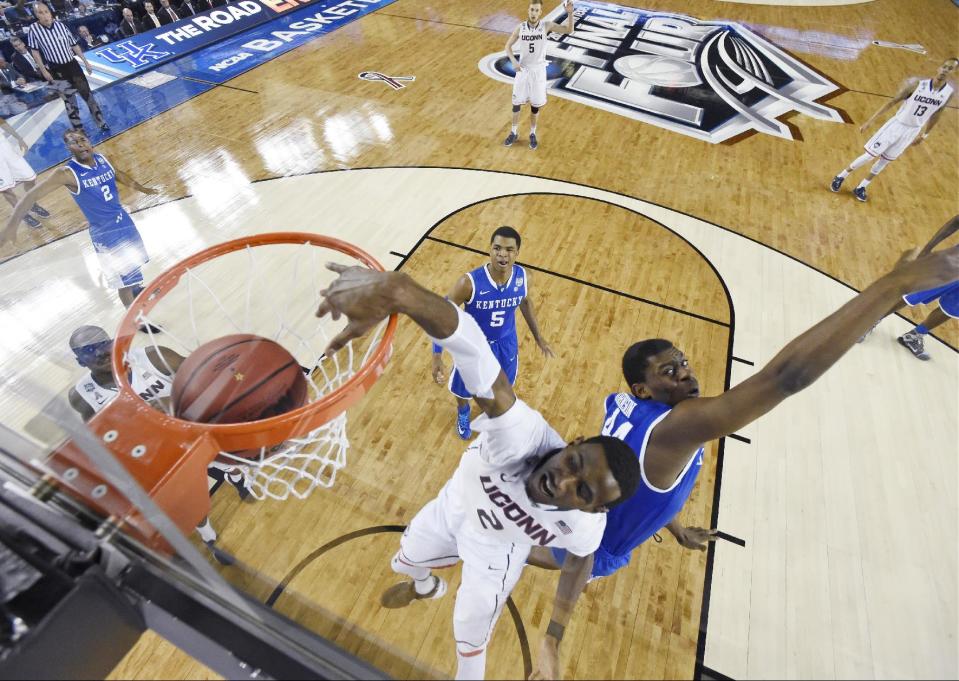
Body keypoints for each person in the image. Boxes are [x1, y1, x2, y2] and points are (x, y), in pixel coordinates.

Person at [525, 233, 959, 676]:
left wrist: (673, 528)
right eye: (668, 372)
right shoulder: (679, 427)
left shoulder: (620, 404)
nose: (685, 376)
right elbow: (784, 378)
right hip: (598, 546)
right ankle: (494, 542)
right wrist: (887, 288)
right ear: (644, 388)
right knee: (534, 554)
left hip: (594, 519)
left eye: (683, 363)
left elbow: (636, 477)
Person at [315, 263, 640, 681]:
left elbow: (581, 559)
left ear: (593, 510)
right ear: (572, 443)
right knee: (405, 559)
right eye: (572, 464)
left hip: (495, 553)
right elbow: (475, 352)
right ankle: (425, 586)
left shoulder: (585, 527)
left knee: (469, 642)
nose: (562, 481)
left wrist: (552, 638)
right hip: (451, 506)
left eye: (581, 492)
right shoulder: (522, 435)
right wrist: (401, 291)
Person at [66, 325, 249, 549]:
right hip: (157, 452)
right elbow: (101, 437)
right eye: (91, 350)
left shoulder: (153, 357)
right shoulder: (81, 396)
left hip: (191, 429)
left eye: (104, 344)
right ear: (80, 361)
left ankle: (236, 478)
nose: (102, 353)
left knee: (230, 463)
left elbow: (209, 380)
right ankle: (207, 535)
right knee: (188, 500)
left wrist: (172, 403)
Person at [0, 129, 157, 308]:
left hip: (124, 222)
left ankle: (136, 289)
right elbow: (30, 197)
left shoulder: (102, 159)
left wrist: (142, 188)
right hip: (107, 234)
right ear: (68, 148)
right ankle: (135, 320)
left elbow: (119, 174)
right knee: (123, 282)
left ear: (89, 141)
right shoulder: (66, 173)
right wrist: (12, 225)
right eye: (74, 142)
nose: (80, 144)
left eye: (83, 139)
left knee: (134, 263)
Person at [431, 226, 552, 440]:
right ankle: (463, 412)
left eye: (508, 249)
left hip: (506, 344)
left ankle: (497, 416)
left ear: (517, 253)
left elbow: (525, 302)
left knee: (502, 387)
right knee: (463, 389)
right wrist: (437, 355)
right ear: (490, 250)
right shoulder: (469, 283)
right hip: (474, 347)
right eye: (497, 248)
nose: (502, 254)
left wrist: (538, 336)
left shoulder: (524, 278)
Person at [830, 57, 957, 202]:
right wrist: (870, 121)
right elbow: (893, 101)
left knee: (885, 161)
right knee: (869, 155)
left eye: (950, 68)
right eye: (944, 67)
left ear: (954, 71)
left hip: (912, 130)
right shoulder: (917, 85)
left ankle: (862, 186)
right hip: (896, 125)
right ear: (939, 68)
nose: (945, 70)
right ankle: (841, 176)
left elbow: (937, 113)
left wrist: (925, 134)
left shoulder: (948, 93)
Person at [502, 0, 574, 150]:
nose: (533, 13)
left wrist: (570, 13)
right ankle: (513, 132)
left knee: (535, 106)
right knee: (516, 103)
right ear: (528, 10)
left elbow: (569, 30)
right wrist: (514, 61)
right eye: (532, 10)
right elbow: (507, 46)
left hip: (539, 72)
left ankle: (532, 134)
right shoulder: (520, 27)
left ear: (540, 12)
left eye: (536, 10)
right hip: (523, 71)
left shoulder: (546, 25)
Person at [27, 2, 108, 132]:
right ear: (36, 15)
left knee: (87, 94)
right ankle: (78, 129)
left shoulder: (61, 25)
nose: (45, 15)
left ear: (50, 12)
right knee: (70, 101)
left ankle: (101, 121)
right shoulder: (33, 29)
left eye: (46, 11)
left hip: (72, 65)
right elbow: (35, 52)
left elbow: (74, 45)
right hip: (56, 70)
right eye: (40, 13)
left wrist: (85, 61)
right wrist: (43, 70)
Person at [890, 215, 959, 360]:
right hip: (954, 264)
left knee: (952, 309)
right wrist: (928, 248)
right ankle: (869, 322)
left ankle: (915, 335)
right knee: (912, 294)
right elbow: (956, 222)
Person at [0, 116, 50, 229]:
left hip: (5, 148)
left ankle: (31, 204)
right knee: (5, 189)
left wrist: (19, 138)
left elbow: (2, 122)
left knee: (30, 177)